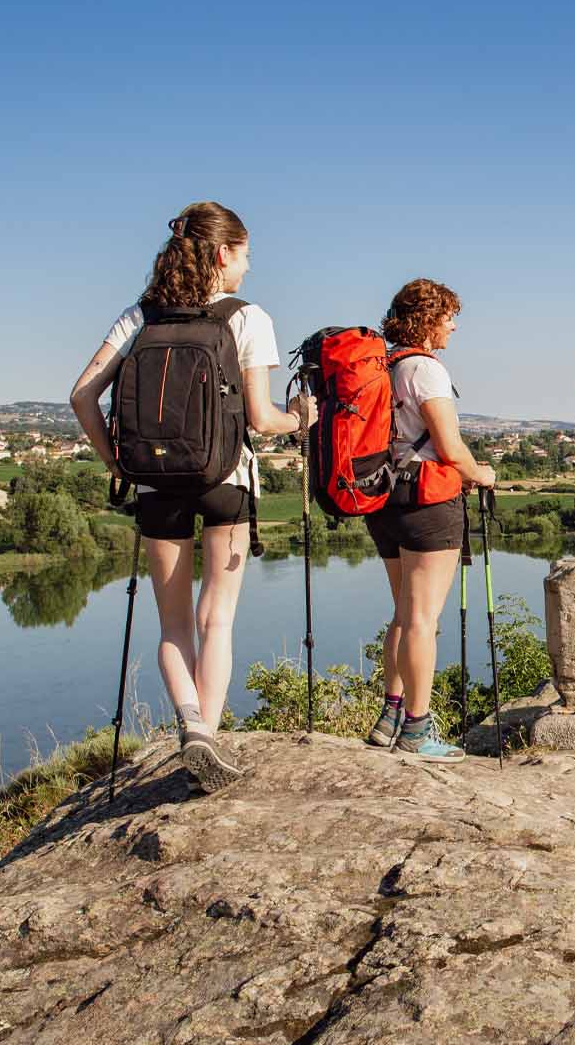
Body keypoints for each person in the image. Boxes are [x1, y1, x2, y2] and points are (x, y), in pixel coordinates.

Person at [69, 201, 314, 793]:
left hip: (156, 485)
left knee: (173, 622)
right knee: (217, 617)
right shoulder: (248, 317)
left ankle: (189, 725)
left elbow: (80, 396)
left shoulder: (140, 317)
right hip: (224, 480)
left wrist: (119, 463)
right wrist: (301, 418)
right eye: (247, 255)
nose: (249, 268)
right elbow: (260, 418)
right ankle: (207, 739)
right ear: (224, 253)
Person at [363, 279, 495, 763]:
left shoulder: (383, 366)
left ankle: (389, 715)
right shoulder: (426, 371)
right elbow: (449, 446)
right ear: (427, 320)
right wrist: (481, 473)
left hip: (383, 502)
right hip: (428, 503)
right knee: (422, 620)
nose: (454, 326)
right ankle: (417, 729)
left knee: (402, 613)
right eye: (448, 317)